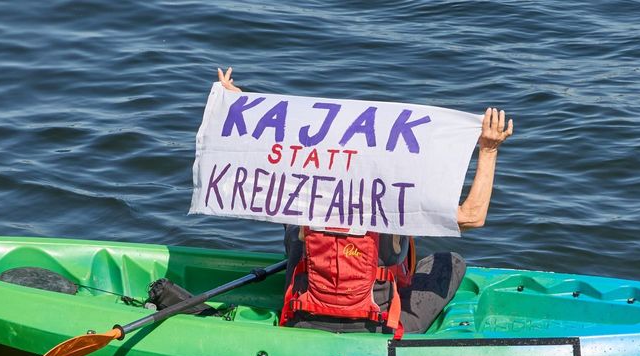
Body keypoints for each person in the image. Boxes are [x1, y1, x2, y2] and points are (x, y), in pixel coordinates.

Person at [216, 67, 514, 335]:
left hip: (300, 317)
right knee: (450, 260)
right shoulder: (395, 201)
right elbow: (473, 216)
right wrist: (488, 151)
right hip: (378, 326)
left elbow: (259, 157)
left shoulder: (299, 190)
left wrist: (239, 106)